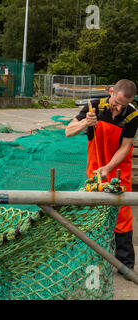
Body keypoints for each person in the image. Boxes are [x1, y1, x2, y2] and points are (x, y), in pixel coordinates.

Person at [65, 79, 137, 272]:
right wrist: (85, 124)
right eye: (117, 102)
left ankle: (125, 266)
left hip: (119, 171)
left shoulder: (132, 114)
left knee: (122, 217)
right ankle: (95, 263)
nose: (120, 107)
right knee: (95, 215)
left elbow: (125, 147)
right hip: (95, 170)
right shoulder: (93, 106)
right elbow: (68, 132)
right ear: (111, 91)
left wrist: (109, 167)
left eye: (124, 104)